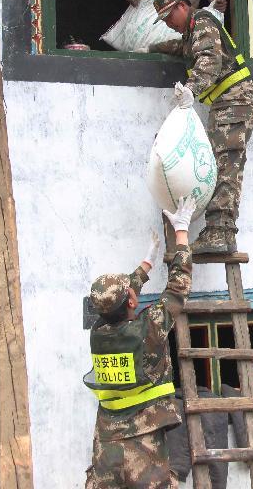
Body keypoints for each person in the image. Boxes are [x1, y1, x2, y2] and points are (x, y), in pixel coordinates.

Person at [83, 196, 196, 489]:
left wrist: (146, 264)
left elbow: (119, 299)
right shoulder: (150, 328)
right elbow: (177, 288)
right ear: (131, 300)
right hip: (143, 444)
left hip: (107, 441)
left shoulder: (98, 331)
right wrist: (181, 232)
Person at [148, 0, 253, 256]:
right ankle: (217, 230)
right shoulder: (191, 33)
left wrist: (191, 90)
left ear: (182, 7)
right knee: (219, 163)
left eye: (168, 17)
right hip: (230, 103)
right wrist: (152, 47)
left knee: (224, 165)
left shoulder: (201, 21)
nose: (168, 24)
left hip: (237, 101)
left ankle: (220, 233)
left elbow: (208, 59)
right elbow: (183, 48)